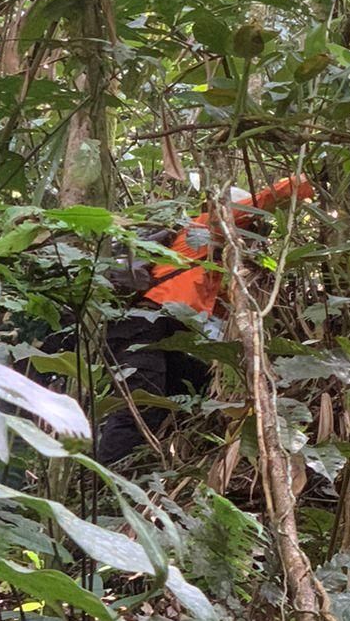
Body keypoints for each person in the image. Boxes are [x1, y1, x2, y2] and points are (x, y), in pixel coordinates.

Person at [97, 176, 313, 466]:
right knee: (141, 404)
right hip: (141, 323)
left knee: (196, 388)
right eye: (248, 224)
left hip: (166, 331)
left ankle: (149, 469)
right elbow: (262, 201)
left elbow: (225, 310)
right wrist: (306, 181)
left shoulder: (213, 258)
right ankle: (105, 482)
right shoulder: (201, 229)